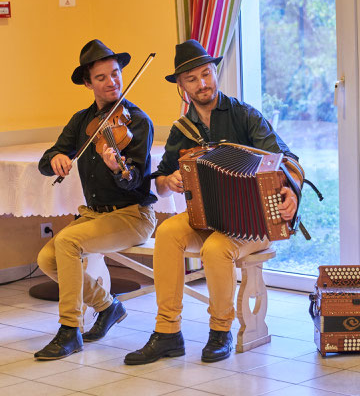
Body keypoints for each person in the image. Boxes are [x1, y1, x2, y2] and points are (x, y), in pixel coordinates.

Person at [124, 39, 301, 365]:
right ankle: (167, 333)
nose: (202, 83)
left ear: (215, 72)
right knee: (166, 233)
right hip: (206, 217)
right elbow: (160, 183)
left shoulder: (245, 116)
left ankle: (221, 331)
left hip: (255, 220)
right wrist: (170, 181)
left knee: (217, 248)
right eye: (192, 79)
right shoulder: (182, 129)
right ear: (181, 86)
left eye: (206, 74)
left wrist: (289, 190)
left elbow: (285, 160)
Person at [34, 39, 157, 360]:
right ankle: (107, 306)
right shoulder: (81, 121)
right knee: (47, 259)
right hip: (95, 215)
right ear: (88, 83)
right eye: (101, 77)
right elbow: (47, 159)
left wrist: (119, 169)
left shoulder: (138, 121)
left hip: (132, 215)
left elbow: (136, 180)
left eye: (115, 73)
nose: (112, 81)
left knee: (67, 244)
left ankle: (69, 329)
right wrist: (58, 157)